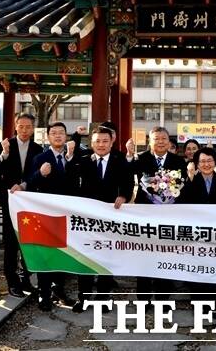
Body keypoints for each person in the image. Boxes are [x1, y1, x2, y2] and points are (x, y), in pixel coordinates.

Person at [69, 126, 133, 312]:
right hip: (86, 219)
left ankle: (103, 297)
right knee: (85, 257)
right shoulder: (82, 161)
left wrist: (124, 196)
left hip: (111, 217)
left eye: (105, 141)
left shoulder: (120, 160)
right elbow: (72, 185)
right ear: (91, 142)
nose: (101, 145)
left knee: (106, 257)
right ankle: (84, 297)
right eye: (97, 141)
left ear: (112, 142)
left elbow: (128, 184)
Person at [126, 126, 187, 301]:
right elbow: (128, 173)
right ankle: (143, 299)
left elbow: (181, 185)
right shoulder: (141, 158)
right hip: (144, 214)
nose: (160, 142)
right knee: (144, 255)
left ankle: (162, 299)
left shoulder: (178, 161)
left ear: (169, 141)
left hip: (169, 216)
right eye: (156, 139)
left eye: (163, 139)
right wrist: (129, 156)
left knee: (165, 256)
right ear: (150, 142)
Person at [27, 121, 77, 311]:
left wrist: (71, 160)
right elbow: (29, 184)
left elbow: (77, 184)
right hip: (46, 215)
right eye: (54, 133)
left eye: (61, 133)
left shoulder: (74, 156)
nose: (57, 136)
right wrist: (40, 174)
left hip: (67, 214)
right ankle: (44, 294)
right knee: (45, 256)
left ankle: (60, 290)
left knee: (63, 254)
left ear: (66, 136)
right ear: (48, 137)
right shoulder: (40, 158)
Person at [181, 147, 216, 316]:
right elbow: (181, 205)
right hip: (196, 236)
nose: (206, 164)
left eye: (209, 161)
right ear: (196, 164)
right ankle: (199, 306)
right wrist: (189, 181)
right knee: (197, 270)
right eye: (202, 161)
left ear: (215, 162)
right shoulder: (188, 182)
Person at [0, 112, 43, 297]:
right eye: (21, 126)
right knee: (11, 243)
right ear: (15, 127)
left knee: (28, 242)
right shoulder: (6, 146)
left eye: (28, 127)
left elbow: (38, 176)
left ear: (33, 129)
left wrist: (26, 185)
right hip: (10, 201)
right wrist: (4, 154)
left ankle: (26, 279)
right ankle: (12, 281)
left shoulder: (38, 149)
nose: (24, 130)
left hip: (30, 203)